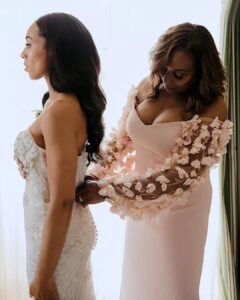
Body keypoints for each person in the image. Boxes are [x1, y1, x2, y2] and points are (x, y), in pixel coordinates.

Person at [76, 23, 233, 300]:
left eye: (179, 75)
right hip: (138, 204)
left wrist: (109, 190)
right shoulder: (150, 84)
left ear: (201, 73)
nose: (167, 81)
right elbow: (121, 142)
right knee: (139, 282)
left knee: (172, 287)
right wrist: (96, 173)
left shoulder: (213, 107)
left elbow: (179, 178)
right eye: (163, 69)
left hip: (180, 209)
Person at [13, 12, 106, 300]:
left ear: (53, 49)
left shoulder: (60, 110)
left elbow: (63, 199)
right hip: (49, 232)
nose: (22, 53)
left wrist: (42, 277)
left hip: (55, 243)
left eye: (29, 44)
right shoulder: (61, 105)